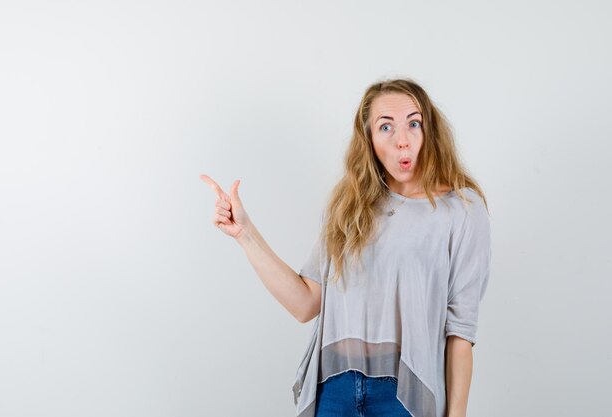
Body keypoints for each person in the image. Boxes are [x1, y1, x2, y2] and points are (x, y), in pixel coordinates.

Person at [200, 78, 492, 417]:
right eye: (386, 127)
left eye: (414, 123)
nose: (403, 140)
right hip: (334, 390)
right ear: (368, 139)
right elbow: (305, 304)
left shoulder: (462, 209)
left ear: (431, 131)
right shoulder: (350, 206)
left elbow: (460, 333)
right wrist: (245, 233)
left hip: (405, 396)